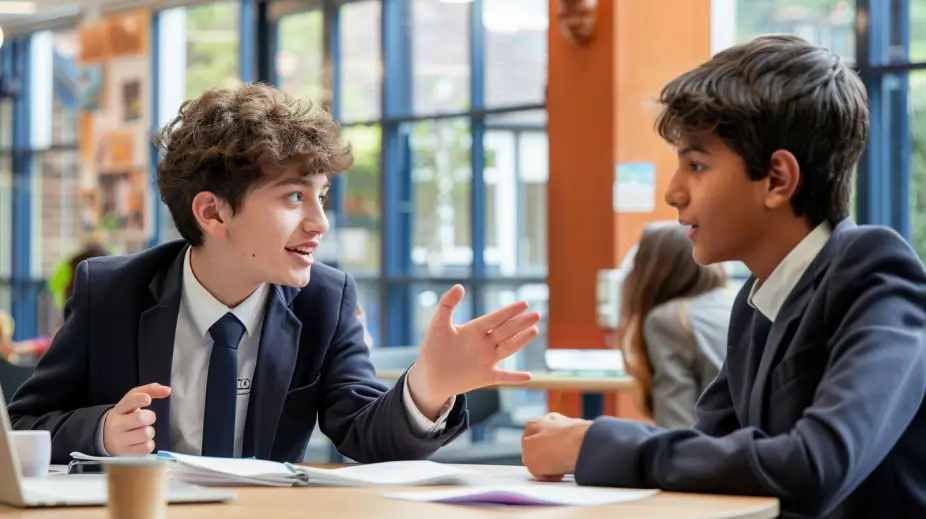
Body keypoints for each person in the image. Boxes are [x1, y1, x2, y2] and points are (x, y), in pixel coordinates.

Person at [7, 83, 541, 464]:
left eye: (322, 196)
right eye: (293, 197)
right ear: (213, 213)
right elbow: (24, 424)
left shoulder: (324, 300)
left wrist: (428, 388)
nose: (321, 222)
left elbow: (362, 436)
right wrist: (101, 432)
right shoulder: (112, 290)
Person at [521, 35, 926, 519]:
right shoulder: (756, 299)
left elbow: (815, 467)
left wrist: (595, 442)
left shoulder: (875, 272)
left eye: (696, 165)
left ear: (776, 179)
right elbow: (708, 455)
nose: (673, 192)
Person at [617, 221, 732, 428]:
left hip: (715, 453)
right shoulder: (734, 304)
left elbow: (676, 428)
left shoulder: (669, 320)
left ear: (651, 273)